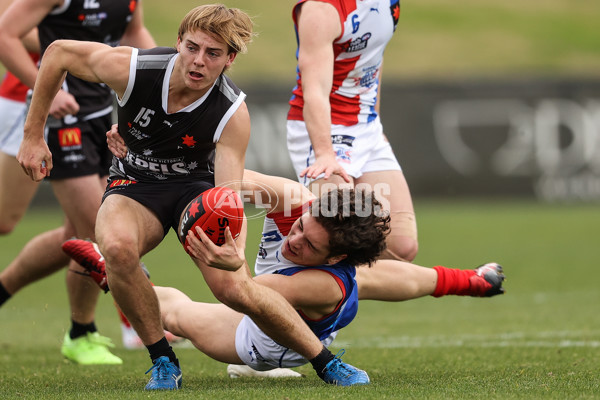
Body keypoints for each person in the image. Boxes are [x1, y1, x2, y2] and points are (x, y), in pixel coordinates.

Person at [19, 4, 371, 390]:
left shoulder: (232, 112)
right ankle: (163, 361)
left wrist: (234, 251)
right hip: (136, 183)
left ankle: (325, 362)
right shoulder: (135, 69)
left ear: (229, 59)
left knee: (235, 288)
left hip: (196, 189)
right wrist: (33, 135)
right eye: (192, 47)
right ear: (178, 42)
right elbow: (58, 54)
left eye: (213, 53)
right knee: (117, 248)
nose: (198, 61)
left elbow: (227, 194)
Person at [62, 169, 505, 380]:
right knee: (390, 276)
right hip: (269, 293)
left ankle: (112, 275)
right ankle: (473, 280)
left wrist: (233, 261)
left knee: (175, 312)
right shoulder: (300, 205)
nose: (294, 241)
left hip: (265, 342)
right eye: (299, 228)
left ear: (336, 257)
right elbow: (220, 173)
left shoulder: (325, 279)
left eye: (309, 246)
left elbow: (248, 295)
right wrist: (142, 160)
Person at [0, 0, 156, 365]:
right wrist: (54, 75)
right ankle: (154, 316)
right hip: (38, 105)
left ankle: (81, 331)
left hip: (98, 108)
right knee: (90, 226)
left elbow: (133, 33)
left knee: (83, 228)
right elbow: (9, 31)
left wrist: (164, 76)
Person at [286, 0, 418, 263]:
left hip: (366, 125)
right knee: (327, 240)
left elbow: (373, 59)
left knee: (401, 247)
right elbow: (315, 91)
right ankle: (276, 294)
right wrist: (325, 153)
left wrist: (375, 122)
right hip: (324, 130)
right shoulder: (320, 9)